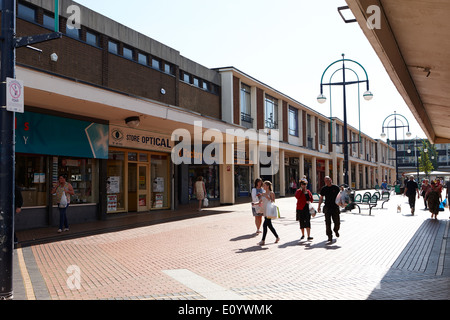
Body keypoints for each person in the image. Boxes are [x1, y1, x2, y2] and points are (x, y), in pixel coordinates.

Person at [318, 176, 341, 243]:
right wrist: (319, 206)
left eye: (328, 180)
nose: (327, 181)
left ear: (331, 180)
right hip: (327, 208)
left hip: (335, 207)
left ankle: (336, 230)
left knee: (337, 222)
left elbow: (340, 195)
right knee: (328, 223)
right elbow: (321, 198)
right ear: (325, 182)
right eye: (326, 180)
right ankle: (329, 236)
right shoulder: (324, 189)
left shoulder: (336, 188)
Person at [258, 181, 280, 246]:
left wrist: (267, 197)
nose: (263, 187)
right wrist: (255, 204)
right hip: (265, 211)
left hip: (269, 211)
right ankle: (277, 237)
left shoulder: (271, 193)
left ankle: (263, 240)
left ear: (268, 186)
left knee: (265, 225)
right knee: (269, 225)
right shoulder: (263, 193)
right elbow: (260, 202)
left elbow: (273, 201)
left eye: (264, 185)